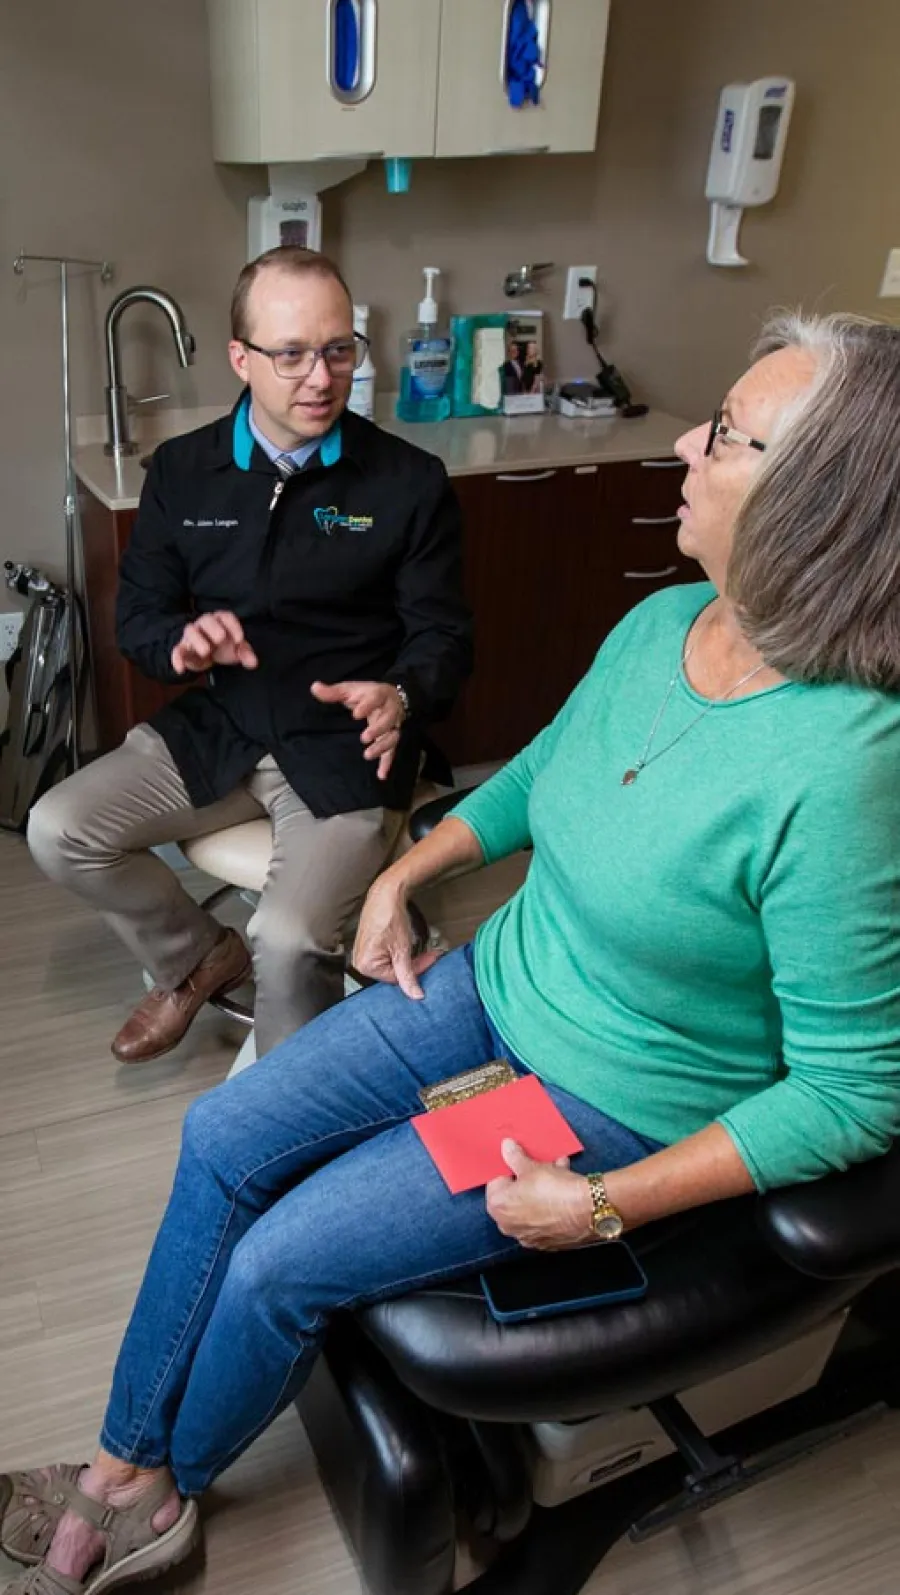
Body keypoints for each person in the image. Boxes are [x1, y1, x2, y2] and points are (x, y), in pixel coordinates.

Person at [6, 311, 900, 1594]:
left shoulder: (849, 766)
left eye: (730, 435)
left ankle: (154, 1491)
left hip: (603, 1094)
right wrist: (410, 870)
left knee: (278, 1259)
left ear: (820, 505)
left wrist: (601, 1202)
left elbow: (856, 1093)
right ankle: (123, 1455)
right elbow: (542, 773)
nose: (689, 448)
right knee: (219, 1136)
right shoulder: (667, 627)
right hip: (491, 983)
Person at [27, 246, 472, 1063]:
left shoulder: (406, 482)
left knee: (293, 935)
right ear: (241, 358)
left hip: (344, 739)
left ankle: (288, 1112)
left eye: (339, 349)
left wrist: (402, 695)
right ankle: (196, 955)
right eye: (292, 352)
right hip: (224, 720)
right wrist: (181, 642)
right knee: (58, 828)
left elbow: (444, 638)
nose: (320, 376)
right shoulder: (185, 472)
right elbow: (141, 619)